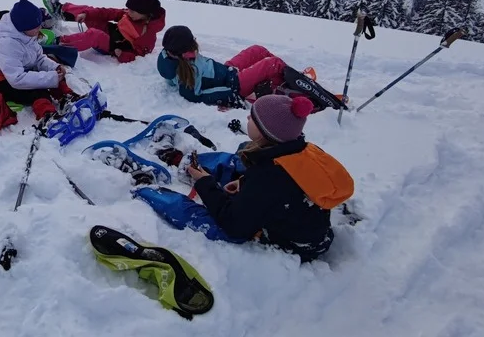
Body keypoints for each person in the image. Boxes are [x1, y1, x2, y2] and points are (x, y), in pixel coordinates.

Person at [134, 94, 354, 263]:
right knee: (243, 154)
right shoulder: (299, 150)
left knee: (203, 217)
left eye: (254, 118)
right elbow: (285, 186)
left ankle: (146, 188)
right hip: (299, 219)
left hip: (293, 244)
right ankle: (185, 161)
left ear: (266, 132)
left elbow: (234, 224)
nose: (247, 117)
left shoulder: (267, 178)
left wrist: (205, 184)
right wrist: (244, 182)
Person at [0, 0, 72, 121]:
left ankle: (68, 98)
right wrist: (51, 78)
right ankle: (48, 117)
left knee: (51, 76)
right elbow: (17, 79)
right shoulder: (6, 44)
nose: (39, 28)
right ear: (23, 27)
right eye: (36, 26)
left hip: (13, 73)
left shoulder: (27, 34)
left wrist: (54, 68)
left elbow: (38, 58)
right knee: (37, 89)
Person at [156, 25, 291, 107]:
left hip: (227, 71)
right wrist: (230, 95)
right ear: (184, 51)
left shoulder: (169, 55)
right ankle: (288, 85)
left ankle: (285, 77)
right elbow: (196, 96)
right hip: (234, 84)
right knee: (271, 64)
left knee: (258, 50)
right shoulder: (189, 71)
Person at [43, 0, 165, 63]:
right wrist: (86, 14)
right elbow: (107, 13)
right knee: (91, 12)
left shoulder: (148, 35)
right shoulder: (130, 14)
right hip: (111, 31)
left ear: (146, 14)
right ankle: (61, 10)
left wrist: (122, 54)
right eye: (128, 9)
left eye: (132, 11)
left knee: (94, 35)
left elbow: (139, 56)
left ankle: (57, 42)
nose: (128, 12)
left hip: (113, 46)